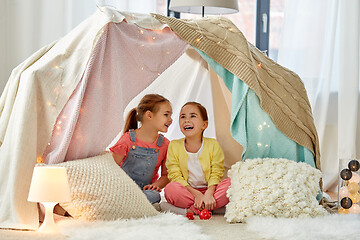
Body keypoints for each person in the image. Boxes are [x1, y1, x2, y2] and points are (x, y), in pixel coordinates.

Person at [162, 102, 231, 215]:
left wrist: (209, 193)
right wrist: (197, 194)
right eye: (182, 117)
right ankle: (211, 207)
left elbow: (216, 172)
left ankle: (193, 209)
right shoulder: (174, 145)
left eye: (192, 116)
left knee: (231, 184)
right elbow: (174, 175)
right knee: (170, 189)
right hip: (188, 191)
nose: (186, 120)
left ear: (204, 125)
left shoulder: (213, 144)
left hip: (211, 190)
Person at [109, 94, 173, 204]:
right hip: (122, 188)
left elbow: (166, 176)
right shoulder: (127, 139)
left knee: (154, 196)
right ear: (149, 115)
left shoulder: (165, 144)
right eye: (166, 115)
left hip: (145, 192)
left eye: (170, 115)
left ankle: (129, 203)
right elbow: (111, 168)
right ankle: (131, 202)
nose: (170, 120)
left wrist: (154, 186)